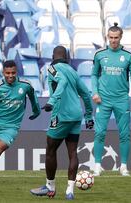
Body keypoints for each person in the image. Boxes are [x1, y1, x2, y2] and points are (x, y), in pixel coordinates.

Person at [30, 45, 94, 200]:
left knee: (51, 150)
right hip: (76, 116)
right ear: (66, 57)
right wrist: (89, 116)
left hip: (61, 115)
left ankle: (50, 187)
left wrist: (52, 101)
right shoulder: (73, 71)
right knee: (72, 152)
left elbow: (62, 81)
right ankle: (70, 191)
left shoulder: (51, 68)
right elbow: (86, 93)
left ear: (53, 56)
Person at [91, 23, 131, 177]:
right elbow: (93, 75)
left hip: (122, 100)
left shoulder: (129, 56)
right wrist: (95, 92)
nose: (113, 41)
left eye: (116, 38)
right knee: (99, 132)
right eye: (111, 38)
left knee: (124, 134)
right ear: (107, 37)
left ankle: (123, 167)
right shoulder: (99, 55)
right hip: (103, 100)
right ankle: (97, 166)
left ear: (120, 37)